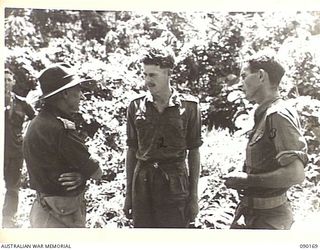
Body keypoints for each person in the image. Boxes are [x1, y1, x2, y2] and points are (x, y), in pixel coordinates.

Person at [224, 54, 308, 229]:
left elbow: (296, 174)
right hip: (253, 215)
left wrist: (247, 180)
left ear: (261, 76)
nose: (240, 83)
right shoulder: (266, 113)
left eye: (244, 76)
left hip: (268, 220)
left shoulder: (277, 114)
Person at [123, 48, 203, 228]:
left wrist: (194, 197)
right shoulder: (135, 106)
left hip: (175, 185)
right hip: (142, 184)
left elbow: (194, 152)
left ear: (169, 73)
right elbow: (131, 151)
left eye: (153, 75)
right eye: (145, 75)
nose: (147, 81)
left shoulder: (190, 107)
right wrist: (129, 194)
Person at [23, 63, 102, 228]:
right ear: (65, 93)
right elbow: (97, 173)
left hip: (43, 209)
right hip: (62, 214)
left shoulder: (37, 122)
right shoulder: (61, 129)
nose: (82, 96)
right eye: (77, 90)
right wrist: (84, 173)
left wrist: (80, 174)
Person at [3, 67, 36, 228]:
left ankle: (8, 220)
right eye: (3, 80)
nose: (6, 83)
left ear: (14, 82)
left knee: (13, 187)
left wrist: (26, 137)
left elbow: (36, 119)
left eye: (9, 80)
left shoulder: (22, 103)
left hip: (15, 151)